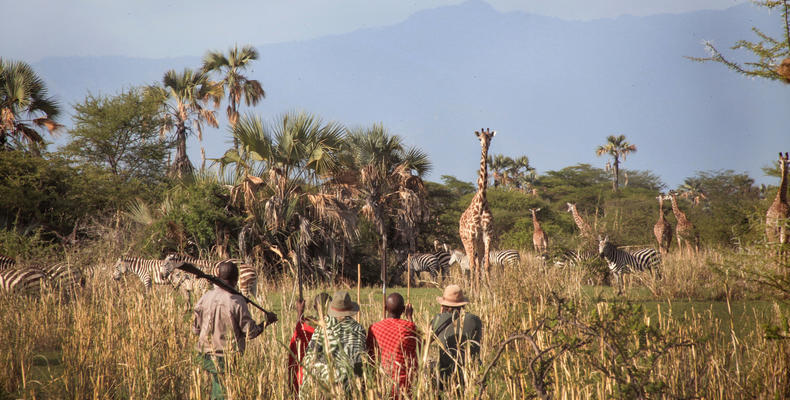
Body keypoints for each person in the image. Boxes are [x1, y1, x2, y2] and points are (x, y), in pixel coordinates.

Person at [192, 260, 277, 400]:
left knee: (213, 388)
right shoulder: (236, 301)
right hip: (227, 357)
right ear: (236, 280)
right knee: (223, 393)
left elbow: (196, 330)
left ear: (217, 276)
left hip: (204, 354)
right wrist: (267, 322)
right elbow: (251, 332)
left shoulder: (204, 297)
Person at [300, 290, 367, 399]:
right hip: (348, 386)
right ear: (350, 310)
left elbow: (310, 354)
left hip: (321, 384)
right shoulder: (358, 329)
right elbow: (359, 361)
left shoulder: (323, 326)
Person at [367, 292, 420, 399]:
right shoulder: (409, 327)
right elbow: (420, 347)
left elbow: (370, 356)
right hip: (405, 385)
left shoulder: (374, 328)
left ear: (385, 308)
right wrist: (409, 317)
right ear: (403, 309)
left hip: (382, 383)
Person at [430, 284, 482, 391]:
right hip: (470, 376)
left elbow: (424, 344)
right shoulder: (474, 320)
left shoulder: (438, 320)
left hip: (446, 377)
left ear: (443, 306)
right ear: (463, 305)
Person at [288, 292, 330, 397]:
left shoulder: (305, 326)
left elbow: (297, 342)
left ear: (315, 307)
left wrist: (300, 313)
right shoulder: (336, 327)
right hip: (328, 381)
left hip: (305, 380)